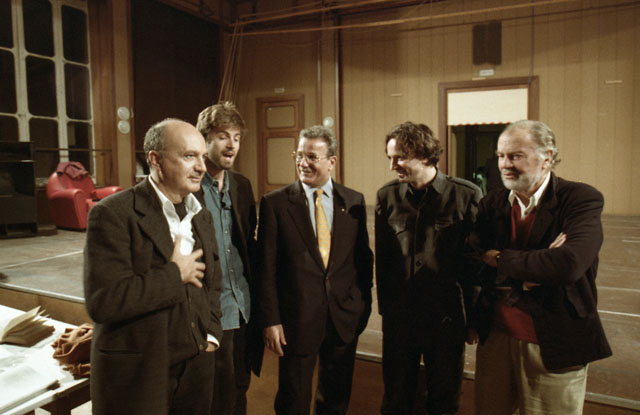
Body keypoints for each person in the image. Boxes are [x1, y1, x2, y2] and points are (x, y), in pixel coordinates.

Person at [469, 120, 612, 415]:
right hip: (496, 336)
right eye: (500, 156)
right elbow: (469, 260)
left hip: (555, 342)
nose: (504, 165)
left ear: (547, 157)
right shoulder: (492, 203)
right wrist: (534, 267)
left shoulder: (580, 199)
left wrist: (499, 260)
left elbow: (568, 264)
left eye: (516, 156)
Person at [84, 119, 223, 415]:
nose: (202, 167)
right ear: (155, 160)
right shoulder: (112, 213)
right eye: (189, 156)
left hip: (197, 368)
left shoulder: (202, 215)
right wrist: (175, 275)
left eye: (202, 156)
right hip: (140, 375)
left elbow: (214, 283)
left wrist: (211, 334)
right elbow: (103, 302)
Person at [257, 125, 373, 415]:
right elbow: (266, 268)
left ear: (331, 161)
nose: (302, 163)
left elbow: (362, 261)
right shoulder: (275, 204)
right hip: (296, 322)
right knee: (292, 402)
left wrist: (362, 308)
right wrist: (271, 320)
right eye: (299, 155)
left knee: (335, 402)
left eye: (311, 156)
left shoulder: (354, 201)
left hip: (343, 319)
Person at [375, 121, 482, 415]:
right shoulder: (387, 196)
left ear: (423, 154)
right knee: (396, 399)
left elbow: (474, 265)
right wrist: (387, 313)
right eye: (390, 158)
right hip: (400, 319)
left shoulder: (467, 195)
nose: (392, 166)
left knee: (444, 400)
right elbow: (383, 263)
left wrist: (474, 319)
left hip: (446, 318)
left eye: (399, 158)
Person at [195, 102, 262, 415]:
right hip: (210, 312)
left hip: (243, 308)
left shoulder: (242, 185)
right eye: (223, 136)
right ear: (205, 139)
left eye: (236, 137)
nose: (231, 145)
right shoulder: (189, 187)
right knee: (214, 398)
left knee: (239, 389)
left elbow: (248, 246)